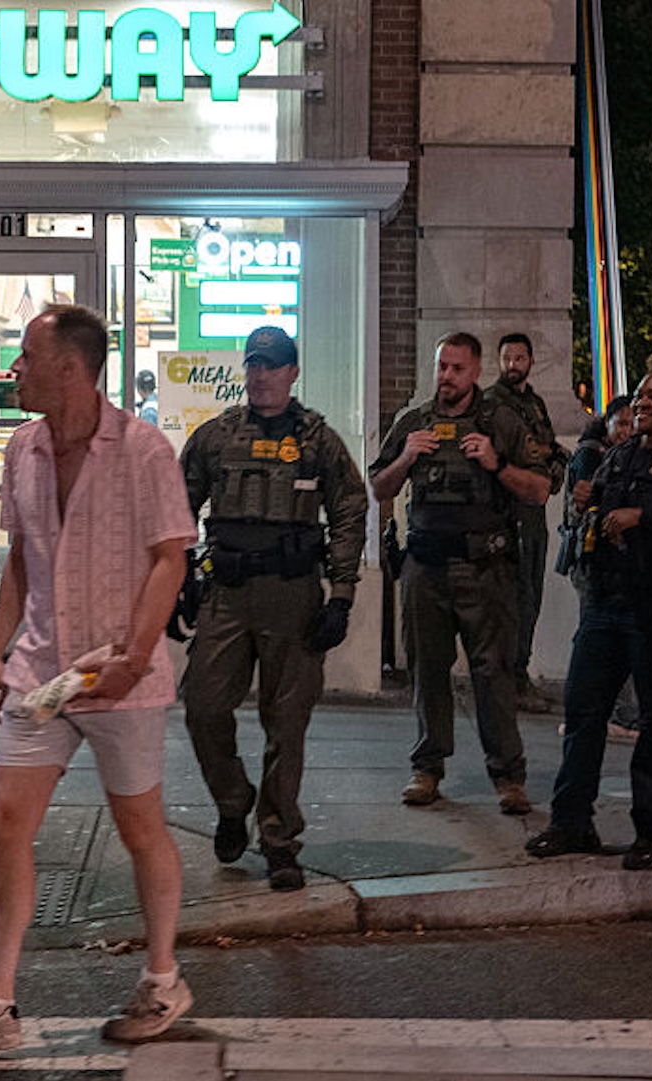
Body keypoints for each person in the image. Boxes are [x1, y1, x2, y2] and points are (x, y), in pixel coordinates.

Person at [0, 305, 197, 1058]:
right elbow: (23, 559)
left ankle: (163, 979)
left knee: (140, 828)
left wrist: (135, 653)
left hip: (121, 671)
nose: (15, 369)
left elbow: (172, 556)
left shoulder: (144, 449)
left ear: (70, 366)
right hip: (43, 672)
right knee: (5, 822)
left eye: (26, 356)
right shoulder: (24, 448)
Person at [176, 325, 367, 890]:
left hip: (293, 596)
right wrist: (176, 583)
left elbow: (350, 512)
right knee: (204, 706)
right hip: (227, 595)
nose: (261, 375)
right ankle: (234, 802)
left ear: (293, 373)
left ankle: (279, 838)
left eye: (273, 365)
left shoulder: (319, 441)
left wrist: (343, 594)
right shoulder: (215, 437)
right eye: (254, 364)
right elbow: (174, 510)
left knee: (287, 722)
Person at [525, 346, 652, 870]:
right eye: (639, 393)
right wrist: (587, 502)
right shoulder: (621, 454)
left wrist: (645, 520)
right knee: (583, 711)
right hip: (606, 605)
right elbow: (595, 517)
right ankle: (571, 824)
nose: (642, 402)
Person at [369, 331, 550, 813]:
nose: (446, 376)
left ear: (474, 373)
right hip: (425, 568)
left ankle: (508, 777)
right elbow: (379, 487)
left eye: (456, 368)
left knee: (493, 674)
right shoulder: (414, 422)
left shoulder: (501, 422)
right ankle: (427, 768)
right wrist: (407, 456)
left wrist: (496, 464)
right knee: (428, 671)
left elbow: (538, 490)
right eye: (441, 366)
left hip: (485, 569)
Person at [485, 333, 567, 714]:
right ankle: (509, 679)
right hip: (506, 513)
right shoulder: (492, 404)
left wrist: (551, 468)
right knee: (512, 600)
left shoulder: (534, 404)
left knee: (531, 594)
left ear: (531, 361)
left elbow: (549, 450)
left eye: (519, 357)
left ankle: (519, 673)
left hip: (533, 512)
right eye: (507, 358)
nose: (513, 364)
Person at [557, 395, 642, 739]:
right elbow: (587, 509)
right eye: (620, 423)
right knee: (597, 639)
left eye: (631, 422)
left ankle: (617, 713)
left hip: (618, 566)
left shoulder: (628, 457)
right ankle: (615, 714)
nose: (627, 430)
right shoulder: (592, 457)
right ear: (605, 425)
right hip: (593, 561)